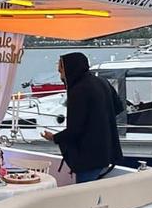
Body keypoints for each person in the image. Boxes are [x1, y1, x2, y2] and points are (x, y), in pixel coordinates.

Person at [41, 52, 123, 183]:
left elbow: (75, 129)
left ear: (70, 69)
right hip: (106, 151)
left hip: (88, 156)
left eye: (61, 72)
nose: (61, 77)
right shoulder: (102, 81)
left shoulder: (78, 90)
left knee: (84, 193)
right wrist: (100, 121)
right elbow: (118, 108)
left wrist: (54, 138)